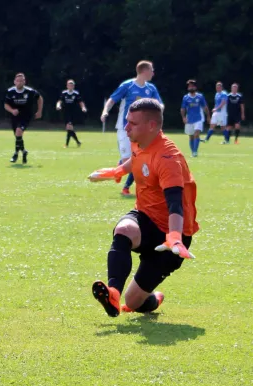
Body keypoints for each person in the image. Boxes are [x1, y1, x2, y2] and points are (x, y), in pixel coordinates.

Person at [88, 98, 199, 317]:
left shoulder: (169, 158)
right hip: (145, 218)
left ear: (151, 125)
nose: (126, 128)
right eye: (126, 121)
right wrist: (117, 171)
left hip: (172, 237)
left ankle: (153, 299)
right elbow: (137, 160)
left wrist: (174, 237)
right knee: (124, 230)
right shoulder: (139, 140)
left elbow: (175, 202)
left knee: (134, 302)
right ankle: (113, 293)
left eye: (132, 123)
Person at [101, 60, 162, 197]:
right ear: (144, 71)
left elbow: (159, 104)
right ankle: (120, 167)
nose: (153, 72)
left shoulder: (151, 89)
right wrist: (105, 111)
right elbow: (112, 100)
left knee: (139, 159)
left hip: (142, 130)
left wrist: (159, 111)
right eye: (151, 70)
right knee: (129, 161)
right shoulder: (127, 86)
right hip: (125, 128)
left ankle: (126, 187)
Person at [4, 73, 43, 164]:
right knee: (18, 136)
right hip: (14, 117)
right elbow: (5, 105)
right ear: (14, 82)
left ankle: (16, 154)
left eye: (22, 81)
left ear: (24, 81)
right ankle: (24, 152)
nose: (20, 82)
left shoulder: (30, 91)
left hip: (26, 116)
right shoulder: (10, 92)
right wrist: (12, 110)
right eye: (18, 81)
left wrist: (39, 111)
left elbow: (40, 98)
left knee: (18, 132)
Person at [180, 80, 210, 157]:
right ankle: (193, 151)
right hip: (189, 119)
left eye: (192, 86)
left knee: (196, 134)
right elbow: (183, 108)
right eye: (189, 86)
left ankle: (195, 152)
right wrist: (183, 117)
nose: (190, 87)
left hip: (199, 119)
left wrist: (208, 116)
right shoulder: (186, 97)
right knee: (191, 136)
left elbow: (205, 107)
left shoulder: (200, 96)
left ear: (195, 87)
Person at [56, 79, 87, 148]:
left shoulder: (76, 94)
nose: (70, 86)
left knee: (69, 127)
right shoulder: (64, 93)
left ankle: (66, 144)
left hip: (73, 113)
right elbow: (60, 101)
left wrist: (83, 108)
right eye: (69, 85)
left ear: (73, 86)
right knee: (69, 129)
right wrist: (58, 105)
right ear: (67, 86)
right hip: (65, 112)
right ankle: (78, 142)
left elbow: (81, 102)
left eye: (72, 85)